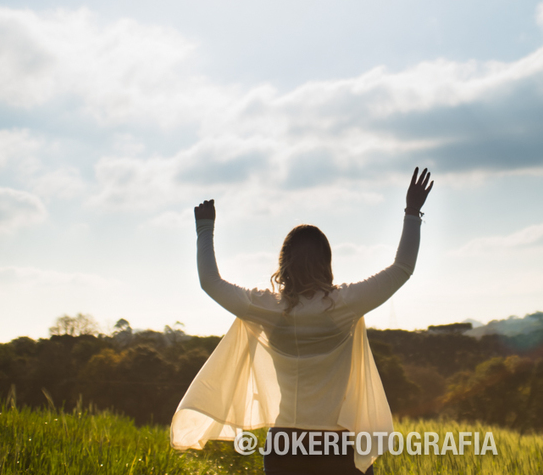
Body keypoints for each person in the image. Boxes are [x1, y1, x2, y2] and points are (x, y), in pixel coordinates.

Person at [171, 167, 434, 474]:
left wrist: (205, 228)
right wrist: (412, 211)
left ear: (284, 262)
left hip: (285, 443)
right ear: (326, 261)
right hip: (338, 442)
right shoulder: (344, 305)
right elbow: (402, 268)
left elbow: (210, 282)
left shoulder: (267, 308)